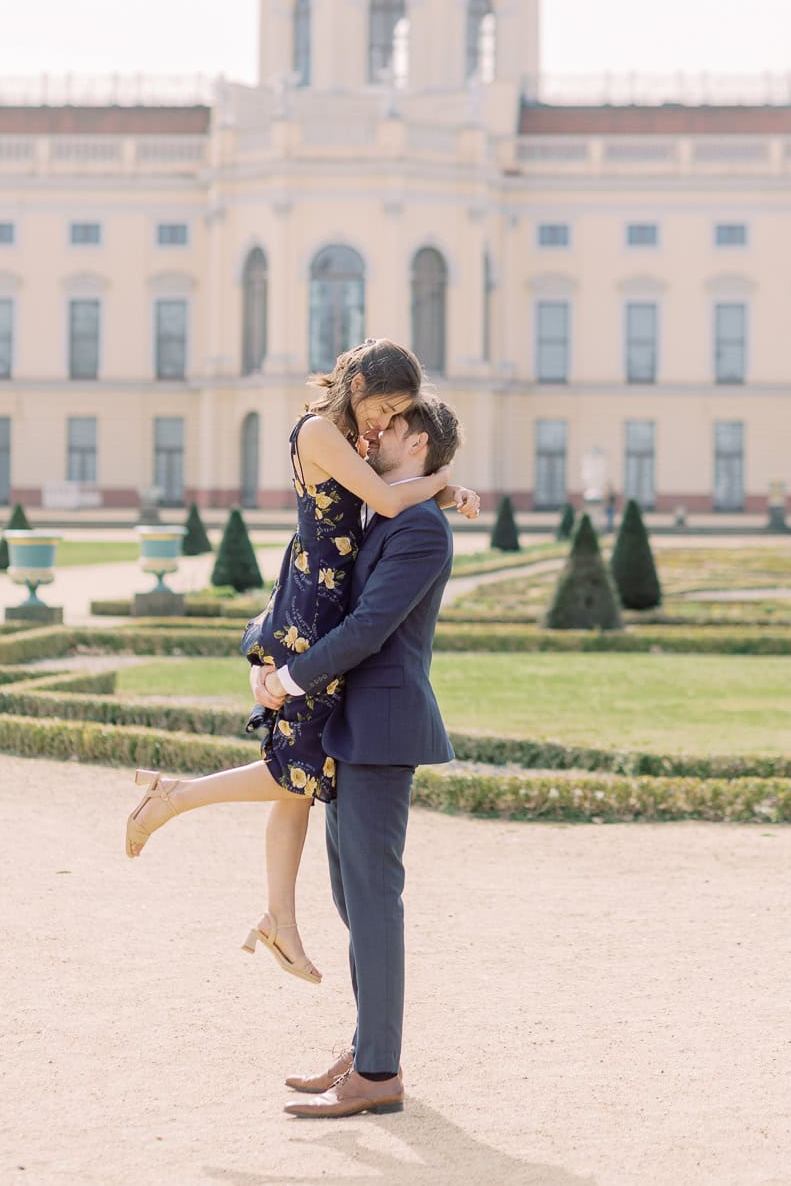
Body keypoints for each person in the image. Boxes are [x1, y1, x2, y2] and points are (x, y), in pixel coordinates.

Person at [122, 340, 478, 987]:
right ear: (360, 383)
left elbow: (384, 500)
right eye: (385, 407)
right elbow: (392, 501)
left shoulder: (347, 438)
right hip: (316, 610)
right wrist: (447, 488)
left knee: (303, 776)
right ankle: (174, 799)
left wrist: (439, 488)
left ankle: (278, 917)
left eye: (397, 415)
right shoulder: (318, 430)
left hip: (320, 602)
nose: (382, 422)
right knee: (297, 769)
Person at [255, 392, 462, 1119]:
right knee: (354, 898)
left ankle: (378, 1070)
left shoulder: (422, 531)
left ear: (420, 443)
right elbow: (315, 585)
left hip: (381, 729)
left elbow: (369, 627)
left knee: (373, 902)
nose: (374, 432)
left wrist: (288, 677)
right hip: (355, 727)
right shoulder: (389, 511)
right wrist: (264, 646)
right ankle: (367, 1043)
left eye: (392, 425)